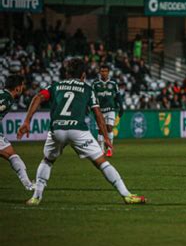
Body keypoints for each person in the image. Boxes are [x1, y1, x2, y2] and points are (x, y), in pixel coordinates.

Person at [17, 58, 146, 206]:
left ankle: (36, 197)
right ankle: (127, 195)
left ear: (67, 73)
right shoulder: (87, 89)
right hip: (78, 130)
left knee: (47, 160)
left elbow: (38, 97)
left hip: (57, 129)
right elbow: (97, 114)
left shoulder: (55, 85)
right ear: (83, 75)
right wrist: (106, 138)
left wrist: (27, 121)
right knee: (102, 163)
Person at [0, 75, 35, 191]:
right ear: (17, 88)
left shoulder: (4, 94)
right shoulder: (7, 98)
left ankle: (28, 185)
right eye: (22, 85)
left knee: (12, 154)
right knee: (12, 156)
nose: (23, 88)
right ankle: (29, 185)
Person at [92, 64, 124, 157]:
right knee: (101, 130)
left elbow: (118, 95)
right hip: (99, 110)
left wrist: (121, 106)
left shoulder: (113, 83)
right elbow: (92, 96)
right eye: (102, 71)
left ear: (108, 72)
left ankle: (109, 149)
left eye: (105, 71)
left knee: (109, 127)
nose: (104, 73)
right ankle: (101, 149)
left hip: (111, 109)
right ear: (99, 72)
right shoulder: (95, 83)